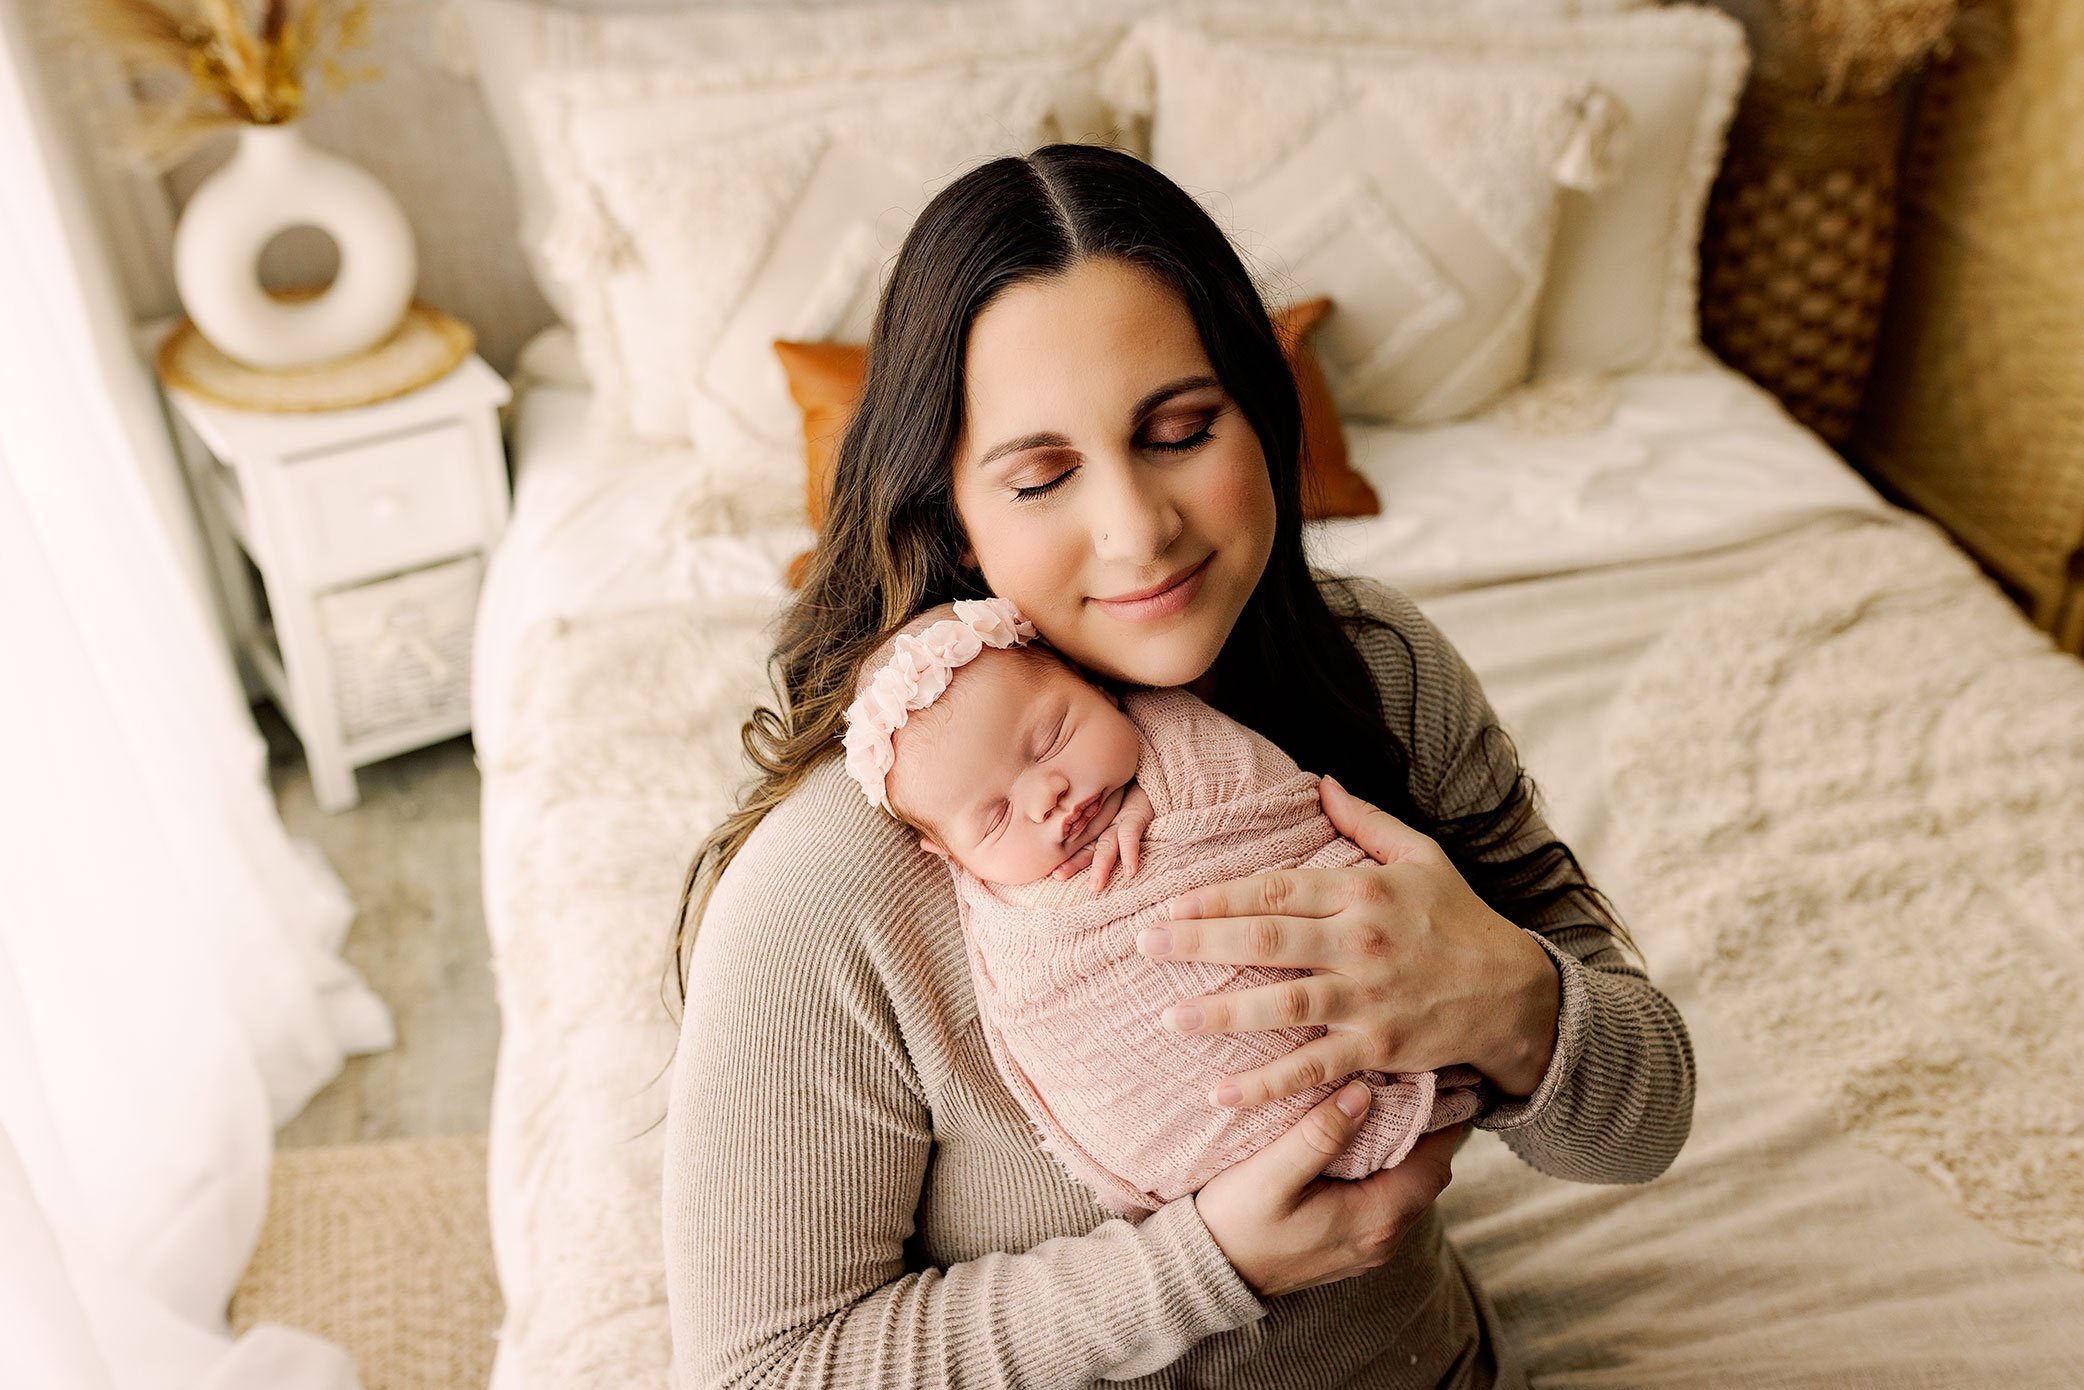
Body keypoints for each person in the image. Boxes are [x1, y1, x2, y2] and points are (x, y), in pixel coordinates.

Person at [664, 142, 1695, 1388]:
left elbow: (1645, 1126)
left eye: (1179, 429)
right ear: (950, 511)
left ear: (1262, 415)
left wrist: (1517, 1005)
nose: (1135, 530)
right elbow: (763, 1368)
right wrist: (1207, 1264)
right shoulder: (831, 885)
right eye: (1041, 475)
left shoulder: (1376, 671)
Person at [835, 596, 1485, 1219]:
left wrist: (1151, 800)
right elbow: (1048, 1022)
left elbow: (1261, 804)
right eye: (997, 816)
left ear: (1097, 687)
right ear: (948, 855)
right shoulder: (1009, 933)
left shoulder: (1183, 747)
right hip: (1230, 1189)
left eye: (1052, 739)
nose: (1046, 799)